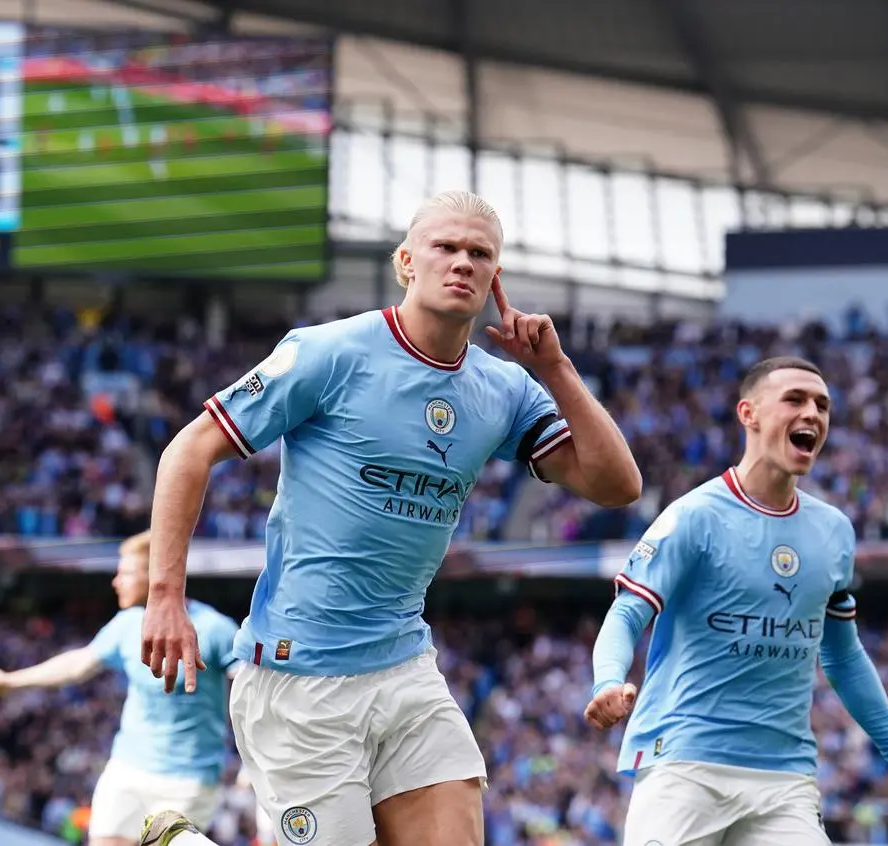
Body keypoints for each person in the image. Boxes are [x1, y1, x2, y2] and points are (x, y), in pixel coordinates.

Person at [140, 189, 642, 846]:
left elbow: (617, 485)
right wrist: (164, 596)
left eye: (480, 254)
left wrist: (555, 367)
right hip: (300, 677)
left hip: (406, 666)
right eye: (446, 247)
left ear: (497, 277)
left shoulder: (505, 388)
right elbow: (190, 448)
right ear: (407, 262)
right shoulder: (329, 352)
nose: (462, 262)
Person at [583, 356, 888, 846]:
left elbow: (843, 655)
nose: (814, 414)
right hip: (685, 765)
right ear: (749, 414)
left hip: (784, 779)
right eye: (795, 400)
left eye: (823, 406)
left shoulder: (833, 532)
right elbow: (627, 612)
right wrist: (608, 681)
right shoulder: (694, 517)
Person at [0, 530, 241, 846]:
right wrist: (10, 679)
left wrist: (255, 760)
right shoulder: (126, 624)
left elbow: (251, 691)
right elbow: (78, 664)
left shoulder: (214, 629)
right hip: (127, 768)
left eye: (125, 572)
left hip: (188, 780)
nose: (116, 581)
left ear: (157, 575)